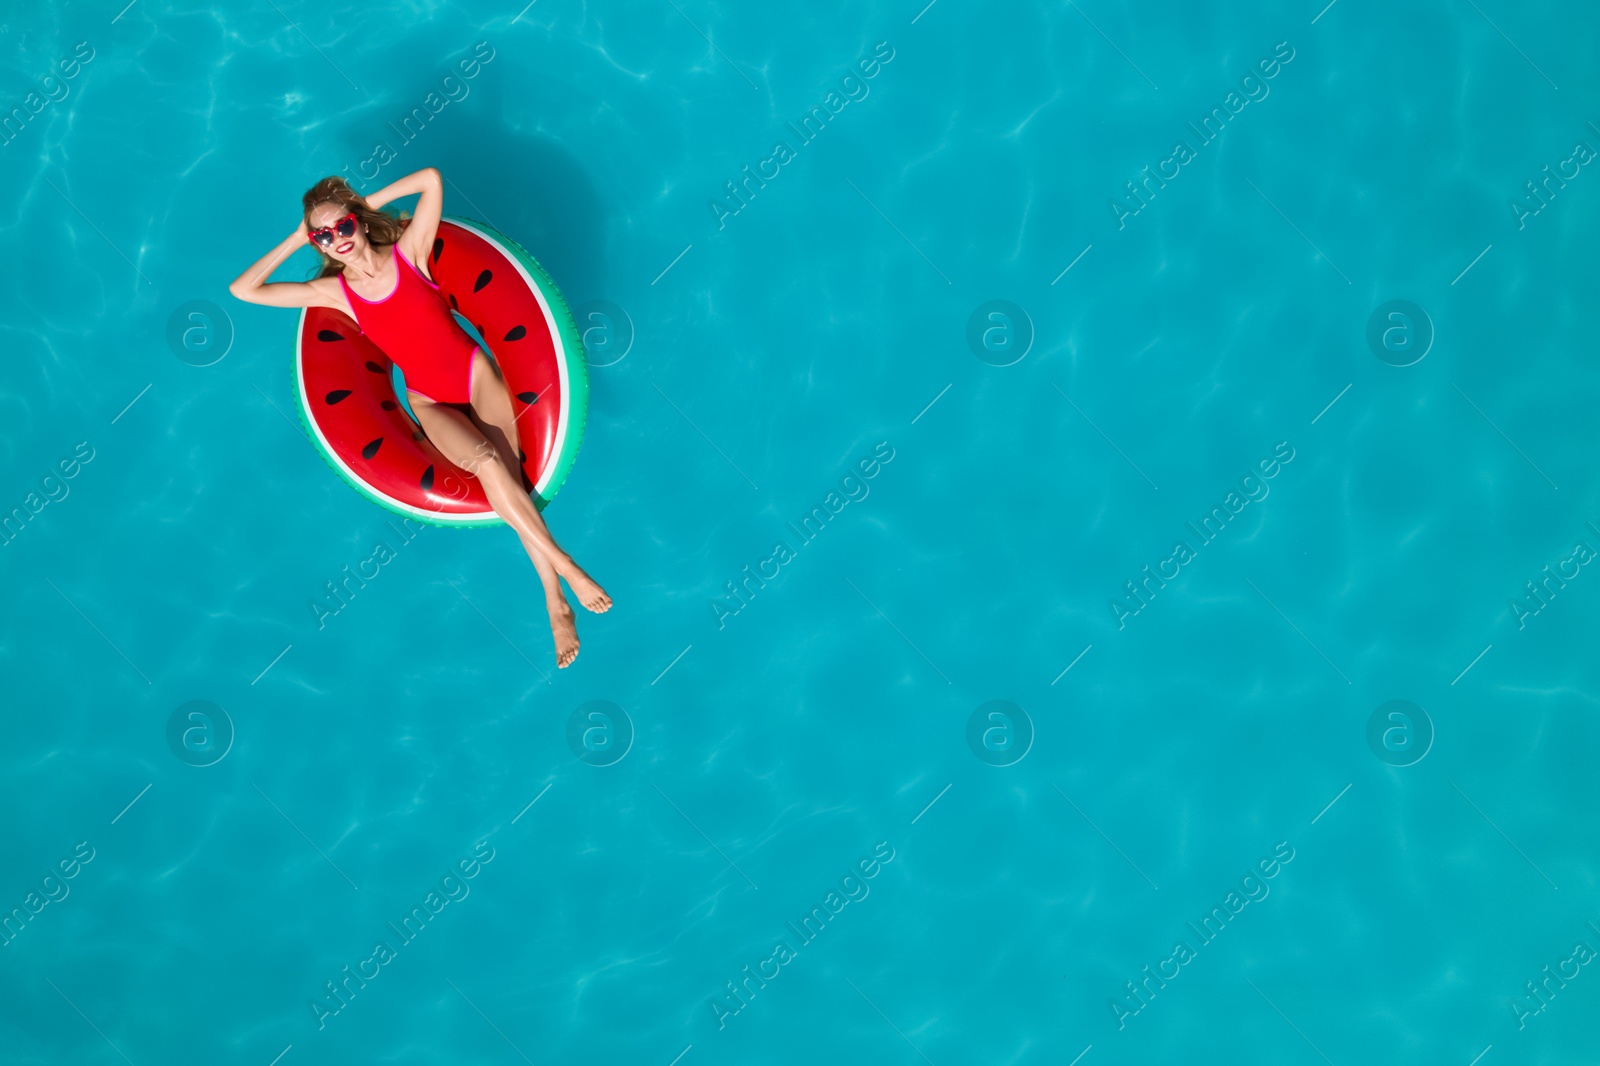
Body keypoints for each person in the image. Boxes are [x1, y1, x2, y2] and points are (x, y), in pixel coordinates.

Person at [228, 167, 609, 668]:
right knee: (489, 466)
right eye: (324, 235)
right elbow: (244, 290)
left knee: (515, 479)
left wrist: (359, 206)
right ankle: (567, 572)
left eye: (343, 226)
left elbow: (430, 179)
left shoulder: (411, 253)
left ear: (359, 222)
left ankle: (555, 602)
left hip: (474, 375)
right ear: (315, 243)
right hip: (427, 399)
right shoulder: (334, 294)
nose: (336, 239)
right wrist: (297, 238)